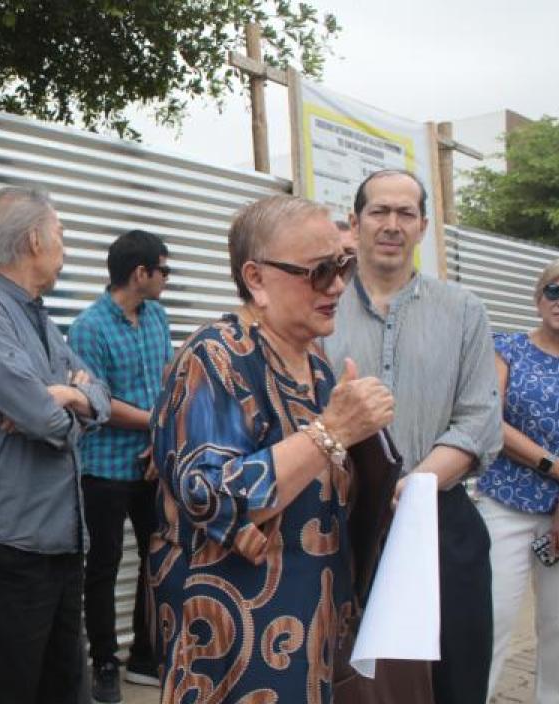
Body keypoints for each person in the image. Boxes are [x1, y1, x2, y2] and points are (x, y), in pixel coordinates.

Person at [148, 194, 392, 703]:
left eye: (343, 265)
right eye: (320, 271)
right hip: (233, 638)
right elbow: (211, 493)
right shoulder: (215, 357)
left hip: (313, 624)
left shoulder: (320, 369)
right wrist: (330, 434)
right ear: (256, 278)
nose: (339, 285)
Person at [325, 169, 503, 704]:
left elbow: (479, 420)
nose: (392, 225)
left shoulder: (463, 309)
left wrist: (416, 485)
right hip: (337, 521)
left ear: (423, 226)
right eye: (379, 212)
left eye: (406, 214)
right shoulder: (320, 307)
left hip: (437, 517)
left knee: (454, 678)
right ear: (354, 224)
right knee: (349, 680)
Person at [0, 186, 111, 704]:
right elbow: (45, 420)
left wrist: (75, 398)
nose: (65, 248)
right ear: (35, 240)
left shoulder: (38, 316)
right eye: (61, 235)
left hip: (60, 541)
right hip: (10, 546)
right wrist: (62, 405)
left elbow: (100, 394)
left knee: (63, 691)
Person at [477, 254, 559, 704]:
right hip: (507, 503)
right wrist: (555, 465)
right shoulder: (506, 348)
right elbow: (490, 420)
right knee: (488, 620)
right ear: (538, 298)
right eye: (554, 290)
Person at [66, 229, 172, 702]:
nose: (167, 279)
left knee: (158, 560)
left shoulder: (157, 317)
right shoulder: (89, 326)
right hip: (104, 468)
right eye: (163, 270)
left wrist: (161, 437)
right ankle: (105, 661)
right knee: (103, 567)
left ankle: (147, 656)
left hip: (151, 465)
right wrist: (155, 424)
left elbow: (167, 378)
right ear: (140, 273)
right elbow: (97, 402)